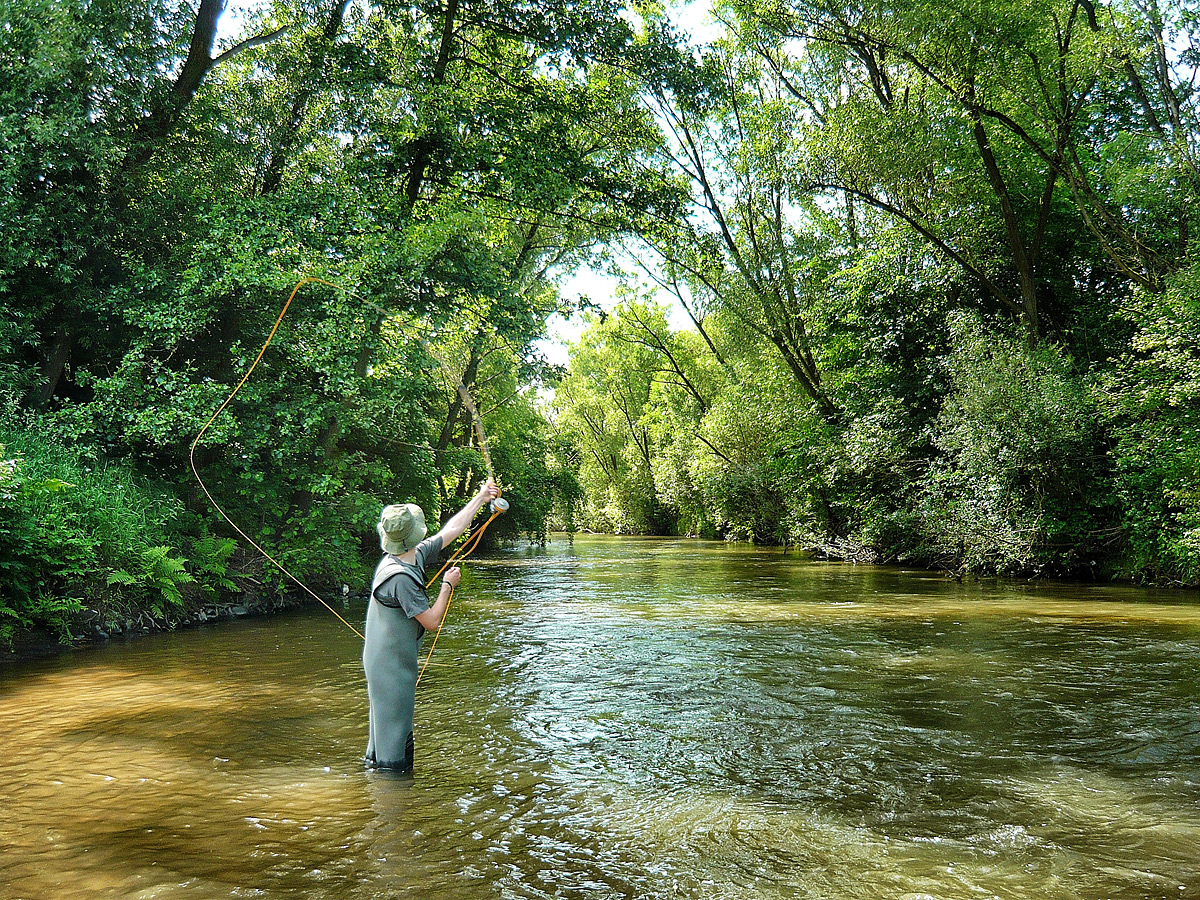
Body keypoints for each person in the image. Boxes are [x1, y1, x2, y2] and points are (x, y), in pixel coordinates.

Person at [362, 478, 500, 773]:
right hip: (389, 668)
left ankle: (377, 791)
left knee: (384, 733)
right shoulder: (399, 577)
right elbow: (433, 621)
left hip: (387, 661)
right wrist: (448, 585)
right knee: (394, 742)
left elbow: (452, 530)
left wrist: (480, 497)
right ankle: (392, 800)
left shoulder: (408, 556)